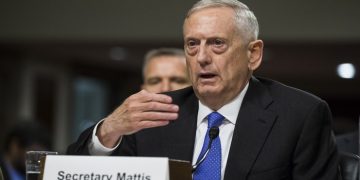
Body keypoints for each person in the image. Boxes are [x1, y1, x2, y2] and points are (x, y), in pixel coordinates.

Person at [67, 0, 340, 179]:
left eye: (217, 43)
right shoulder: (155, 114)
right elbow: (71, 171)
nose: (202, 57)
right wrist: (108, 131)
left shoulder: (300, 115)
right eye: (192, 44)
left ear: (253, 54)